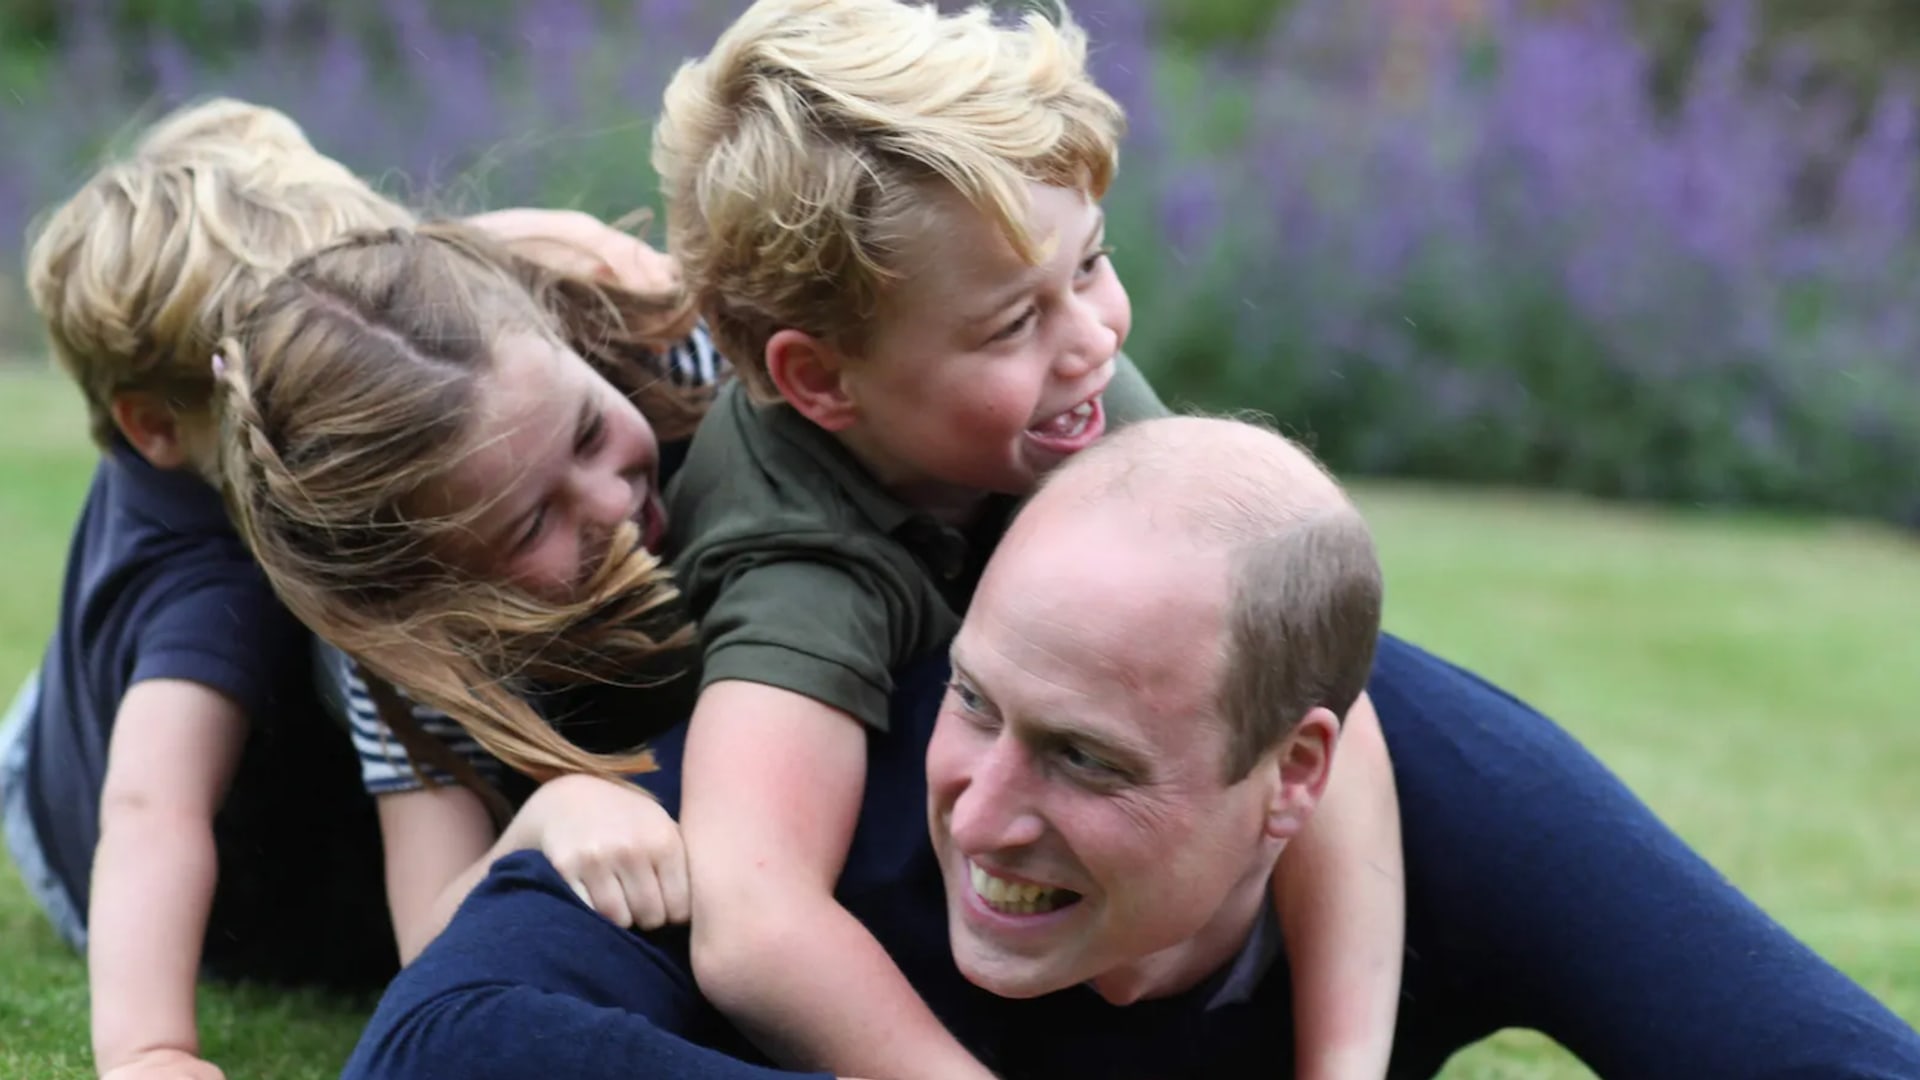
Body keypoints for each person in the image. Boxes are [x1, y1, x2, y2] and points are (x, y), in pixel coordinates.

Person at [339, 417, 1920, 1079]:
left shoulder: (1454, 793)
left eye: (1090, 763)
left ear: (1295, 775)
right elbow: (437, 1045)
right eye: (980, 703)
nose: (988, 813)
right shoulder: (832, 765)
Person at [651, 1, 1403, 1074]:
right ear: (819, 379)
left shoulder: (1058, 381)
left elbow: (1329, 708)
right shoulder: (798, 558)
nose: (1092, 337)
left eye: (1091, 264)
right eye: (1014, 323)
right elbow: (754, 920)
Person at [0, 95, 704, 1080]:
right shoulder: (211, 588)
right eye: (298, 375)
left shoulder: (388, 362)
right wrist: (149, 1049)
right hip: (71, 815)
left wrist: (536, 246)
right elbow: (151, 810)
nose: (351, 369)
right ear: (166, 422)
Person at [216, 220, 720, 962]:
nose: (612, 503)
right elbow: (426, 937)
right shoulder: (414, 652)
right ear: (425, 591)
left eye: (586, 431)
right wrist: (548, 816)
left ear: (561, 334)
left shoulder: (688, 361)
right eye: (531, 524)